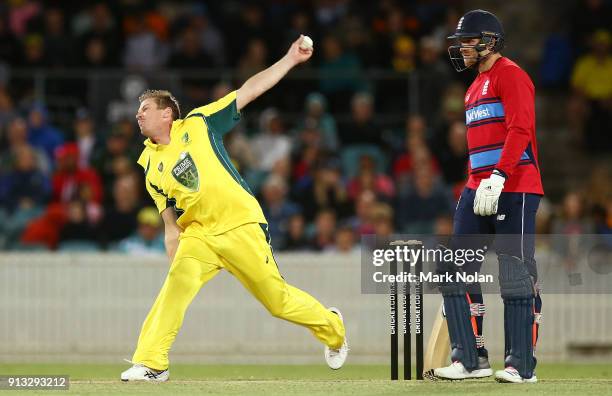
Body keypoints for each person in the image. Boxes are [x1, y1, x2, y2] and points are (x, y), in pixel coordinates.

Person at [121, 36, 348, 382]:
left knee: (278, 302)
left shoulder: (198, 123)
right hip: (200, 234)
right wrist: (175, 254)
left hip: (240, 223)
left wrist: (289, 59)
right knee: (175, 288)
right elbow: (169, 220)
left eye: (145, 109)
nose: (138, 115)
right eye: (138, 111)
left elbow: (249, 90)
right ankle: (153, 362)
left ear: (167, 114)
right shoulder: (149, 164)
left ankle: (333, 328)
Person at [433, 10, 543, 384]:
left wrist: (499, 175)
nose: (461, 47)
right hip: (478, 185)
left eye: (468, 40)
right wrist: (478, 182)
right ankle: (470, 358)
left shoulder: (511, 75)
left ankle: (521, 366)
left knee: (515, 272)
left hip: (515, 185)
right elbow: (481, 146)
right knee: (452, 268)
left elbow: (520, 129)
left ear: (489, 42)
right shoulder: (471, 87)